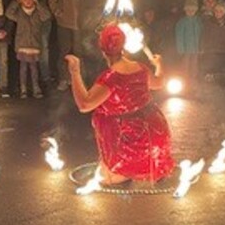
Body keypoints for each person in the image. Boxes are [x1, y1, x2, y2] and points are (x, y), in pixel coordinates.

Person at [65, 22, 175, 185]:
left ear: (103, 51)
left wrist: (75, 72)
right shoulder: (141, 68)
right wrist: (159, 65)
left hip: (130, 141)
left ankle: (125, 172)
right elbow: (158, 83)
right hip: (156, 135)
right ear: (123, 47)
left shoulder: (111, 78)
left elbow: (85, 104)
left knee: (104, 177)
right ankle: (148, 169)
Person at [49, 0, 82, 90]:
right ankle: (63, 78)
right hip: (64, 21)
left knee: (79, 51)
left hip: (80, 20)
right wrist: (57, 12)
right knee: (64, 51)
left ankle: (79, 80)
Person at [6, 0, 50, 98]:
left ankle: (36, 88)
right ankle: (23, 89)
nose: (28, 1)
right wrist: (16, 1)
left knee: (34, 67)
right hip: (22, 44)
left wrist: (38, 4)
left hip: (34, 44)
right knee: (23, 67)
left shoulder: (38, 13)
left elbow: (46, 16)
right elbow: (8, 13)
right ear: (21, 1)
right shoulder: (19, 13)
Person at [175, 0, 202, 82]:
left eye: (193, 10)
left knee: (195, 63)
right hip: (186, 48)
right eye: (188, 10)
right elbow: (179, 36)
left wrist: (201, 46)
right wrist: (181, 48)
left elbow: (201, 34)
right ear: (185, 10)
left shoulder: (198, 21)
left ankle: (193, 77)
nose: (190, 12)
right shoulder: (182, 22)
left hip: (196, 48)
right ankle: (184, 77)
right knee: (185, 64)